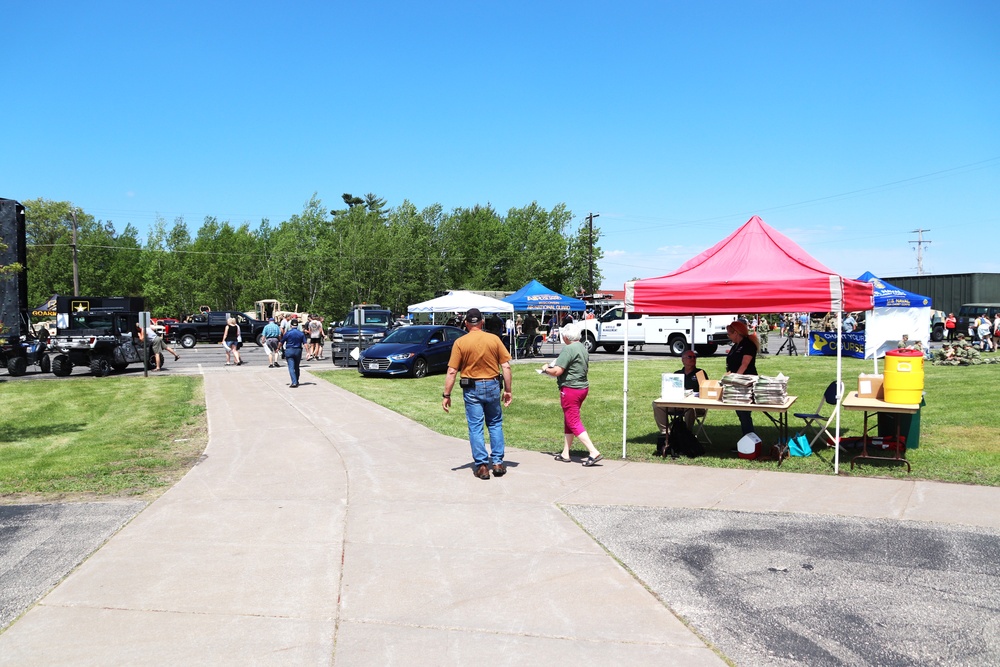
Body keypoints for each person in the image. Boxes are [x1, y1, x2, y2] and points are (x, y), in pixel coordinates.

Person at [442, 308, 513, 480]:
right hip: (493, 385)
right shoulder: (494, 339)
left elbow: (452, 371)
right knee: (495, 423)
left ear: (466, 323)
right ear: (482, 322)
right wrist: (508, 390)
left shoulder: (460, 342)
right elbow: (506, 366)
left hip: (472, 388)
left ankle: (482, 466)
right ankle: (497, 463)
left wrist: (446, 394)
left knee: (476, 426)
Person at [542, 324, 602, 466]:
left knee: (573, 421)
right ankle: (565, 452)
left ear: (566, 336)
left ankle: (593, 451)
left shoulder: (568, 349)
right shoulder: (582, 347)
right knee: (569, 419)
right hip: (582, 388)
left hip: (570, 389)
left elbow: (557, 371)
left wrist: (546, 368)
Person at [652, 350, 707, 452]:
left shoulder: (700, 373)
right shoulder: (677, 374)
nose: (693, 359)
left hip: (695, 405)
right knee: (657, 405)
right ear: (683, 360)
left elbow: (706, 389)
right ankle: (666, 433)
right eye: (690, 357)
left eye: (695, 357)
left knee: (689, 407)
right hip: (677, 403)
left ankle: (686, 432)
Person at [726, 320, 758, 437]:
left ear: (736, 332)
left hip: (745, 381)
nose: (728, 336)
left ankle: (749, 438)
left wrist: (734, 379)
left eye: (729, 334)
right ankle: (748, 437)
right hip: (737, 380)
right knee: (741, 412)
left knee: (743, 412)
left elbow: (744, 364)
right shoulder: (736, 345)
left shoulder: (748, 344)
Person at [280, 319, 307, 387]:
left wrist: (278, 348)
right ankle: (296, 380)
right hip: (298, 350)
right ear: (297, 325)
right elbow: (305, 343)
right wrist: (308, 351)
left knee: (291, 367)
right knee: (297, 366)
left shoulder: (288, 333)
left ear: (291, 325)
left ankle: (294, 382)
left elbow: (281, 342)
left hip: (289, 350)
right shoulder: (301, 333)